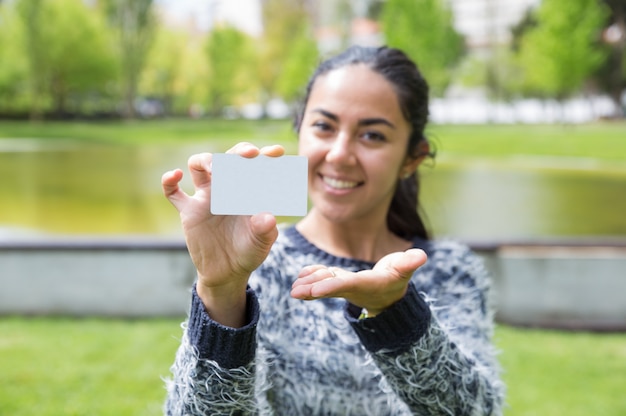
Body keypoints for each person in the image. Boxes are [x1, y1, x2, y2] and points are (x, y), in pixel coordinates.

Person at [161, 45, 505, 415]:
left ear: (412, 158)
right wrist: (221, 291)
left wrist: (396, 312)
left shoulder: (452, 270)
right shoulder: (258, 264)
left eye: (372, 135)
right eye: (324, 126)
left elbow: (476, 410)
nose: (340, 154)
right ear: (299, 132)